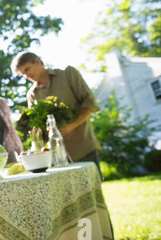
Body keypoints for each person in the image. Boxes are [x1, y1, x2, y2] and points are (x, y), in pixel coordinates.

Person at [11, 51, 103, 179]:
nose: (27, 75)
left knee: (93, 191)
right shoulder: (32, 94)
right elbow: (38, 127)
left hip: (83, 147)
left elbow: (89, 103)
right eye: (23, 74)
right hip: (56, 157)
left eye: (27, 69)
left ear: (37, 62)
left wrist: (71, 126)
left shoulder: (67, 73)